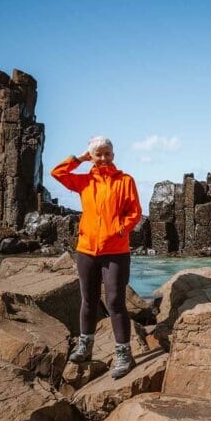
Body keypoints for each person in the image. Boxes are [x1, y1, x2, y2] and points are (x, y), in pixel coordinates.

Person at [50, 136, 142, 379]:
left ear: (113, 155)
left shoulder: (125, 181)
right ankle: (85, 346)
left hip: (116, 251)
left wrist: (121, 229)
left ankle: (124, 354)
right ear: (91, 156)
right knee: (88, 300)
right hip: (87, 250)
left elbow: (135, 212)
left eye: (107, 154)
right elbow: (57, 172)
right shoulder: (84, 181)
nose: (103, 158)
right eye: (98, 154)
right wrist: (79, 158)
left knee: (115, 302)